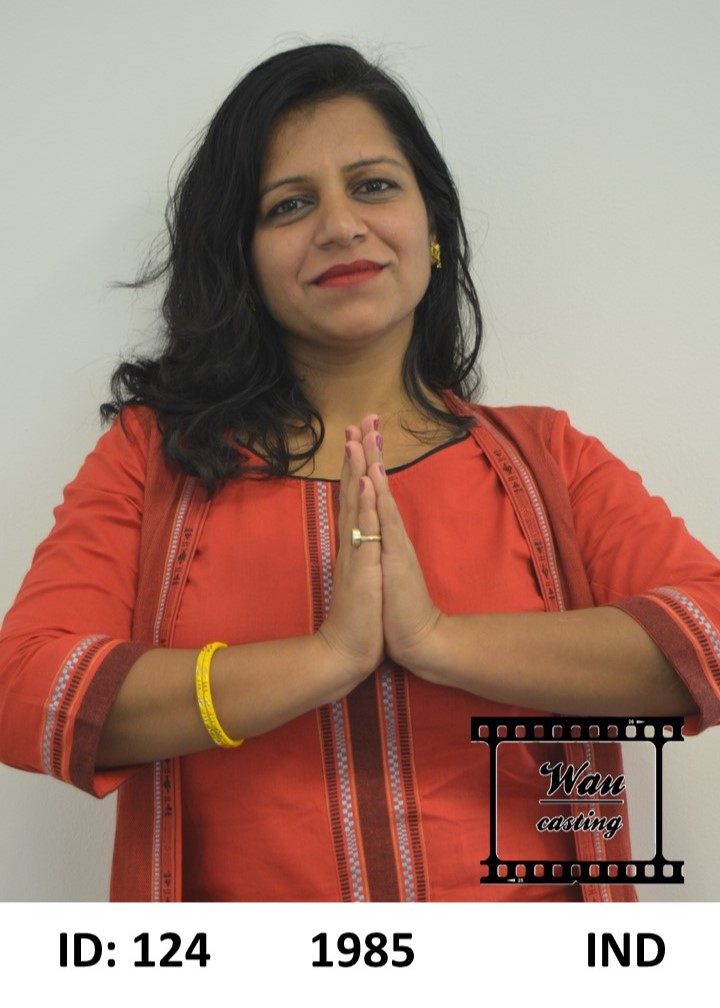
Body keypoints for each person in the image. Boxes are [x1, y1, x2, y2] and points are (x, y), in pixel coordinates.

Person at [0, 42, 718, 903]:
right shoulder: (155, 463)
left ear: (434, 227)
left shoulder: (545, 460)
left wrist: (438, 641)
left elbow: (708, 639)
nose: (340, 225)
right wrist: (324, 658)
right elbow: (29, 691)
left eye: (374, 185)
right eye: (289, 204)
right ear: (241, 258)